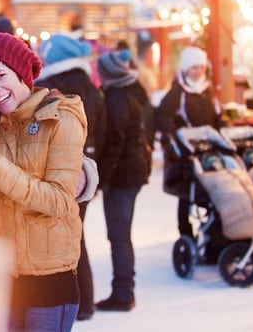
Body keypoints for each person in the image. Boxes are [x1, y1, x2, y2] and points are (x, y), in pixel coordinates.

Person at [0, 32, 87, 332]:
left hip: (49, 280)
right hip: (5, 279)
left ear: (21, 73)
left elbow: (58, 201)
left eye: (1, 76)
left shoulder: (61, 118)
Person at [36, 33, 106, 322]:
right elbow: (102, 130)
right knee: (76, 235)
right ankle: (85, 301)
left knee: (67, 239)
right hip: (86, 171)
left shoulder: (54, 88)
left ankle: (79, 302)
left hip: (61, 171)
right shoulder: (91, 88)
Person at [94, 51, 151, 312]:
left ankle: (123, 293)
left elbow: (115, 142)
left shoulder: (116, 98)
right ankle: (124, 290)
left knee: (119, 235)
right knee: (121, 235)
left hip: (122, 175)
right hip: (133, 171)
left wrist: (101, 178)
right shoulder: (132, 91)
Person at [155, 45, 226, 244]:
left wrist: (222, 130)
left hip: (209, 149)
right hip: (186, 151)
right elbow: (164, 115)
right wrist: (173, 138)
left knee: (213, 191)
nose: (197, 72)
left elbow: (218, 116)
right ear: (186, 69)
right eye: (194, 67)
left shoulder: (208, 91)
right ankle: (186, 235)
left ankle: (214, 235)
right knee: (186, 195)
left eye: (201, 68)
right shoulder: (178, 91)